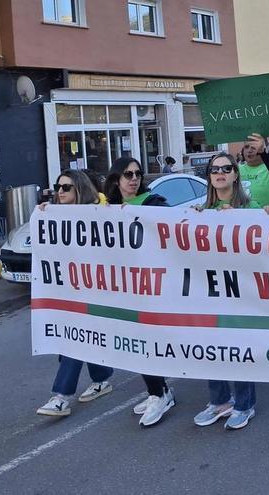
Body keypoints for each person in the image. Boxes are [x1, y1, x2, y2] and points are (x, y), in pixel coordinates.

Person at [190, 153, 269, 430]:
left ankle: (244, 404)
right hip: (210, 289)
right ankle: (219, 401)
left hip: (242, 291)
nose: (220, 172)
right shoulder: (200, 211)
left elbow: (268, 240)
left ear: (236, 175)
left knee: (238, 347)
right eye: (214, 169)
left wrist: (256, 216)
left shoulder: (251, 207)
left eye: (226, 168)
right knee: (212, 346)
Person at [104, 157, 176, 426]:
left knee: (147, 341)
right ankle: (158, 391)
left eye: (137, 173)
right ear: (116, 179)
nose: (134, 178)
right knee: (136, 342)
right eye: (127, 174)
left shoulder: (152, 202)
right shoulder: (105, 207)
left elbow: (172, 225)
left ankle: (159, 393)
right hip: (122, 286)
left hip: (150, 286)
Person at [35, 170, 113, 417]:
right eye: (58, 186)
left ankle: (61, 396)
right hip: (67, 290)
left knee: (74, 340)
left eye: (66, 187)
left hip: (93, 290)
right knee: (80, 338)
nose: (60, 191)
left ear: (79, 189)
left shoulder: (99, 213)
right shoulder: (55, 215)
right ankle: (102, 378)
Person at [239, 133, 269, 208]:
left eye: (253, 147)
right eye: (246, 147)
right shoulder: (236, 170)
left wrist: (264, 152)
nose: (249, 150)